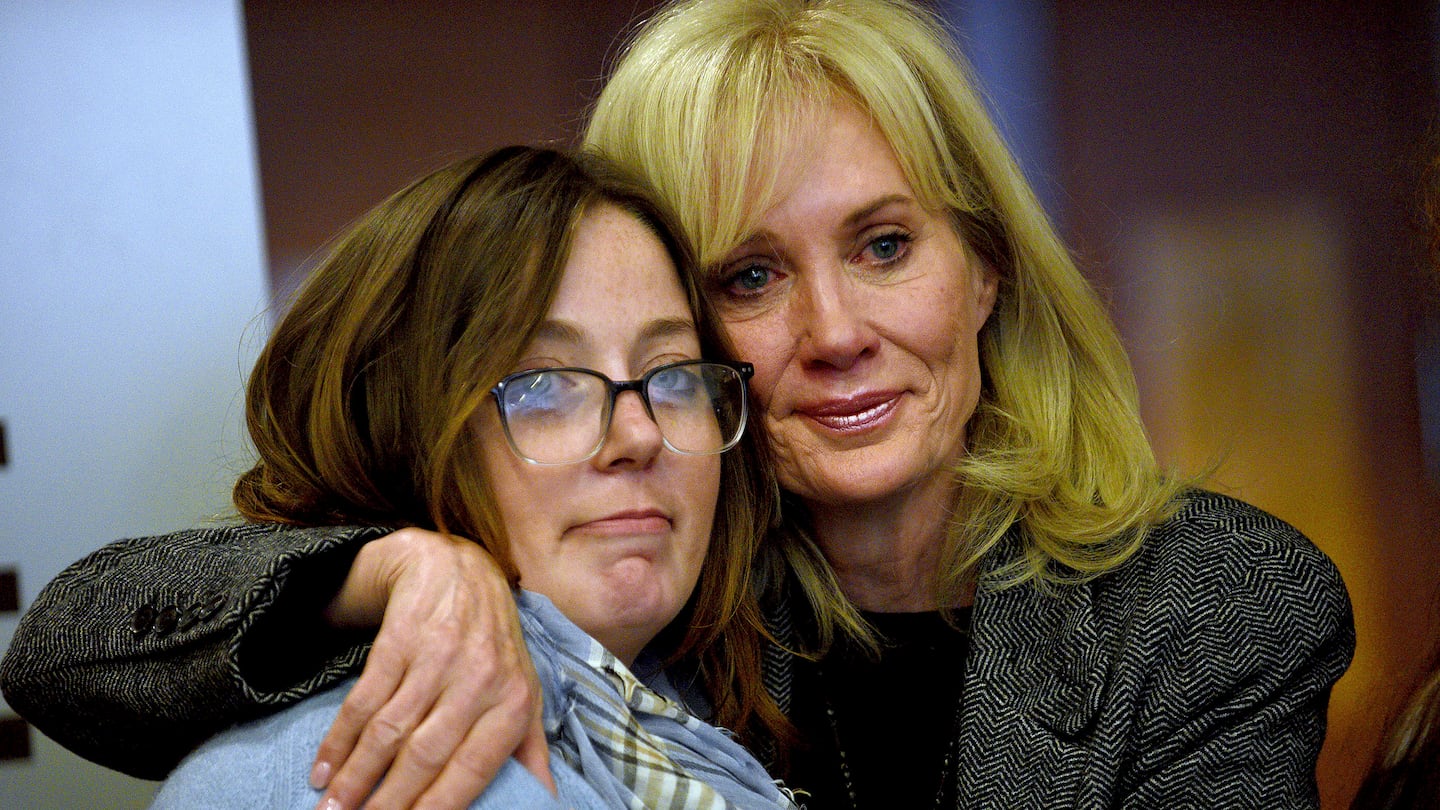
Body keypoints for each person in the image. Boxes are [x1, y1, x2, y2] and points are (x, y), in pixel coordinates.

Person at [1, 1, 1355, 808]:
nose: (836, 333)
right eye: (753, 274)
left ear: (986, 266)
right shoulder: (654, 580)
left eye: (886, 244)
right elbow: (70, 643)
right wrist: (398, 568)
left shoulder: (1219, 600)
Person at [22, 145, 799, 809]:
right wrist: (390, 567)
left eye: (671, 374)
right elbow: (58, 646)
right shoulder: (362, 770)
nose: (637, 433)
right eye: (541, 384)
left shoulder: (691, 698)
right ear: (405, 431)